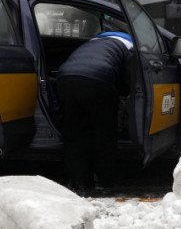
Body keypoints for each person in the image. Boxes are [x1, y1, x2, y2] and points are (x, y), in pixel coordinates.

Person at [53, 32, 134, 192]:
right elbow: (128, 78)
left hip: (65, 77)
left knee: (75, 135)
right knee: (105, 134)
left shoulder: (91, 42)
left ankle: (80, 182)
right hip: (99, 79)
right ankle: (104, 182)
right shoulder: (129, 46)